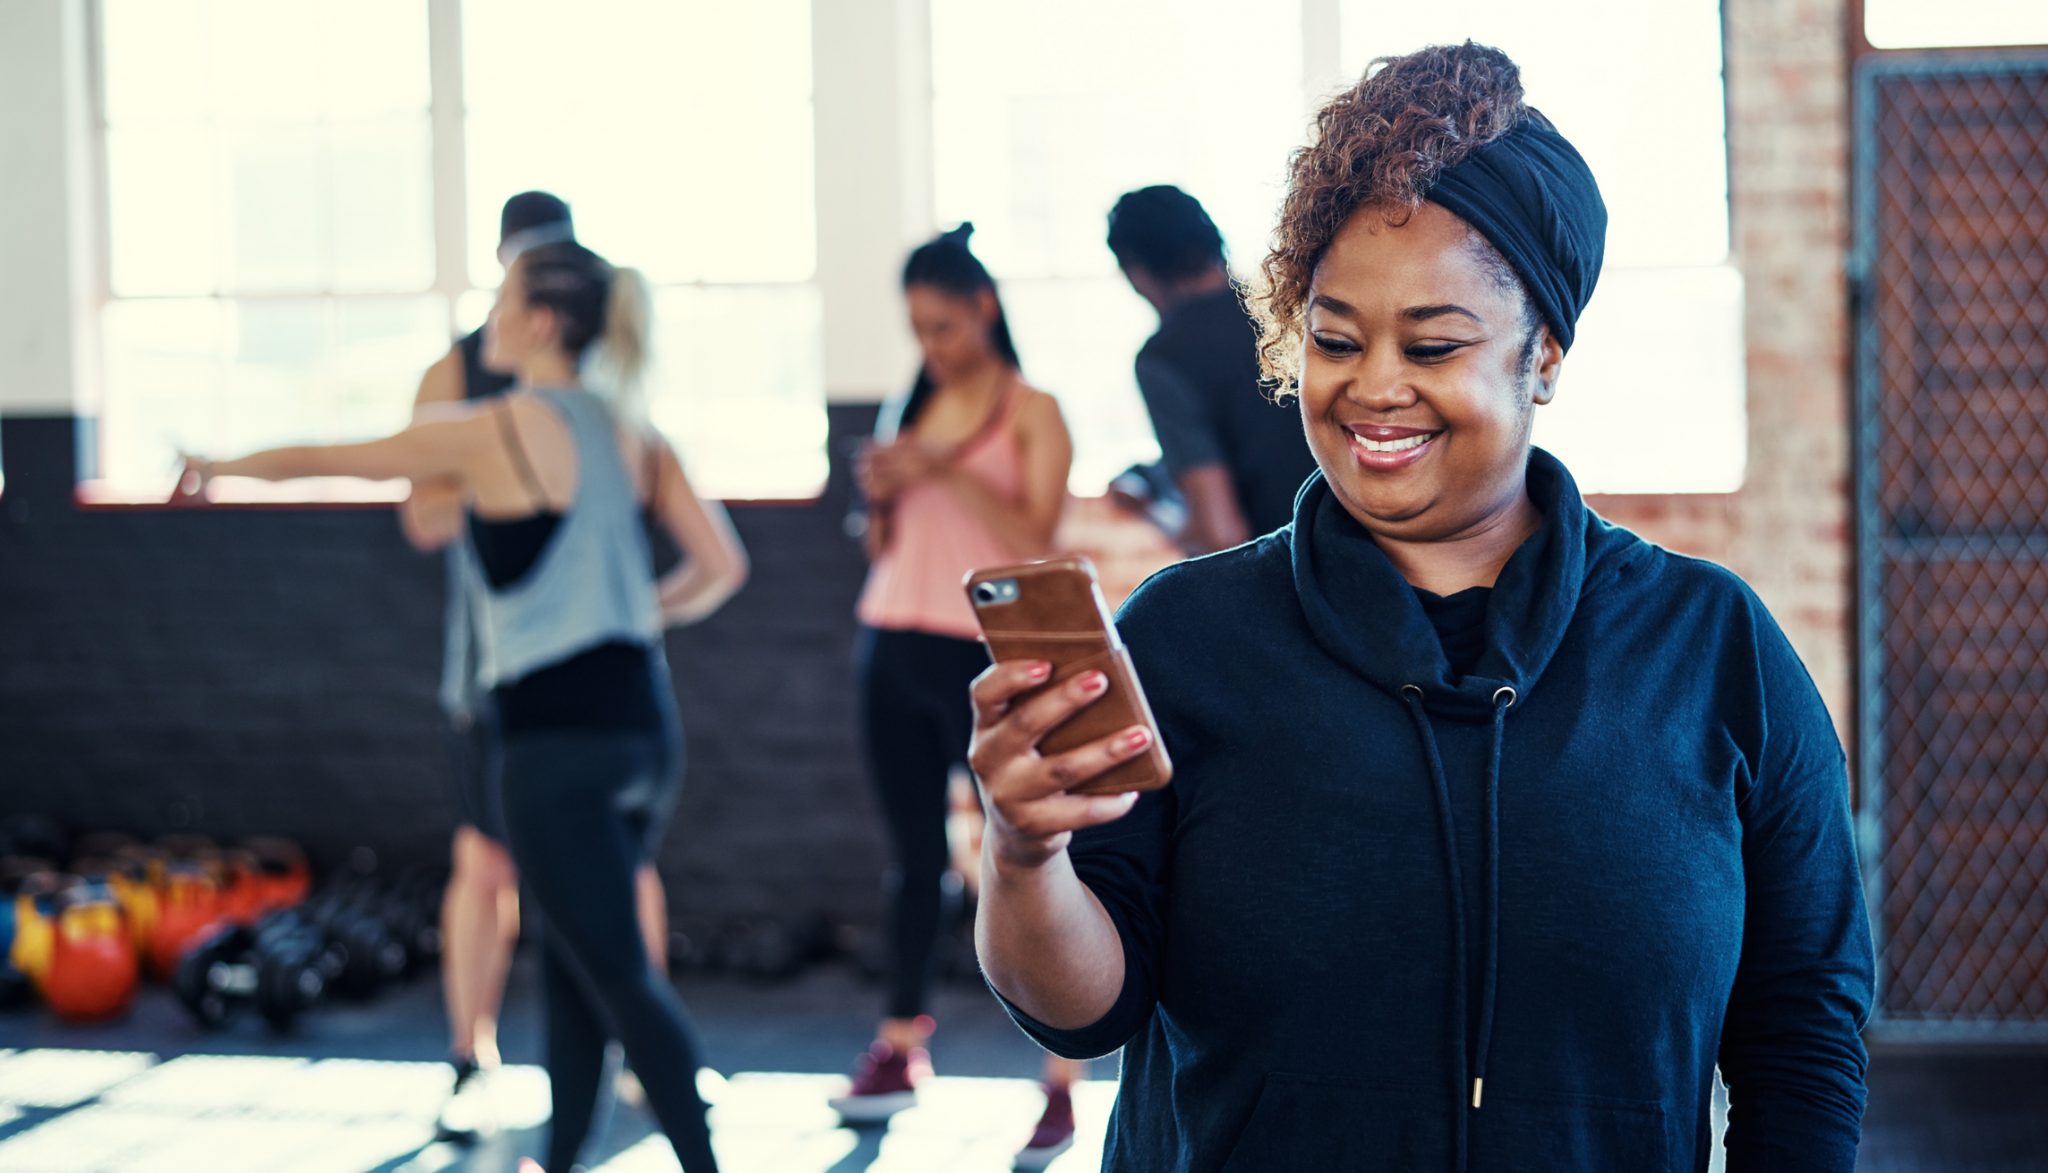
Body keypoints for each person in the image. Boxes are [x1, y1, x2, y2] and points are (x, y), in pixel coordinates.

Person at [971, 42, 1874, 1172]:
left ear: (1542, 351)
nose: (1372, 387)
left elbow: (1801, 1027)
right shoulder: (1185, 640)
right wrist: (1022, 857)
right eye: (1334, 339)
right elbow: (1081, 1010)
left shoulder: (1709, 650)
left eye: (1433, 344)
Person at [176, 238, 746, 1173]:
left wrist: (216, 464)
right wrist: (633, 609)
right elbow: (723, 566)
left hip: (554, 743)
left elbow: (342, 454)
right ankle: (561, 1161)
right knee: (571, 967)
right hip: (644, 730)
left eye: (502, 298)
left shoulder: (500, 426)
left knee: (618, 978)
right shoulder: (632, 430)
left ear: (541, 321)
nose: (487, 318)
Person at [399, 191, 685, 1138]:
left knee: (609, 909)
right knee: (488, 864)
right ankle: (470, 1057)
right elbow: (422, 510)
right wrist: (498, 471)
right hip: (503, 674)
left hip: (594, 688)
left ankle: (655, 1068)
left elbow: (666, 515)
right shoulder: (467, 374)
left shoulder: (600, 392)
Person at [831, 224, 1084, 1167]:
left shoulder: (1034, 407)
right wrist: (888, 494)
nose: (930, 346)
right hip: (889, 640)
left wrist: (940, 469)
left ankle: (1060, 1083)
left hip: (986, 656)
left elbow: (1033, 539)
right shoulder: (913, 404)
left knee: (1029, 855)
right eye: (917, 330)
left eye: (942, 325)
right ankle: (901, 1046)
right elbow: (883, 545)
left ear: (982, 307)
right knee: (911, 860)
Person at [1106, 184, 1317, 553]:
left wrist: (1152, 513)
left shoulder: (1165, 357)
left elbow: (1221, 533)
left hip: (1283, 573)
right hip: (1364, 547)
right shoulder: (1291, 306)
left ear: (1136, 273)